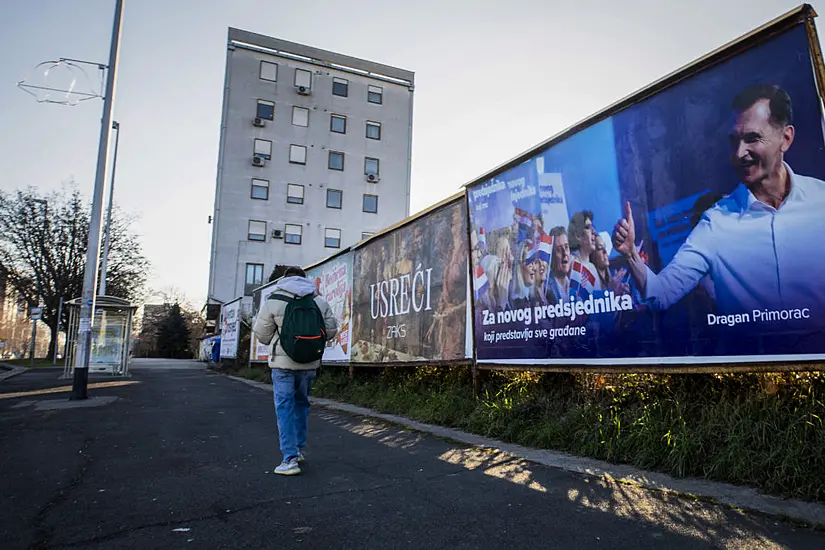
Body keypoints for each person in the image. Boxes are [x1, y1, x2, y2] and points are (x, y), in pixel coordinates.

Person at [612, 84, 825, 317]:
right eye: (734, 141)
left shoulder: (821, 199)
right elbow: (660, 295)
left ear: (785, 138)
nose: (739, 153)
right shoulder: (715, 223)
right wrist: (631, 254)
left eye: (752, 138)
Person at [252, 266, 338, 476]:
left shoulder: (273, 300)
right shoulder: (319, 301)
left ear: (284, 279)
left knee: (284, 408)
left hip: (282, 364)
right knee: (302, 404)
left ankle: (289, 459)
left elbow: (261, 335)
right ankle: (299, 450)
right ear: (304, 279)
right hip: (309, 364)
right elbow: (331, 331)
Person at [568, 211, 603, 291]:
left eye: (593, 227)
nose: (594, 232)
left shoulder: (592, 268)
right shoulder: (570, 263)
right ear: (577, 235)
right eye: (587, 227)